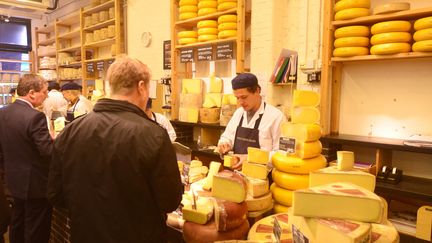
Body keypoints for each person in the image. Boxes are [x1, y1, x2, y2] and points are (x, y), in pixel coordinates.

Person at [48, 56, 183, 243]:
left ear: (110, 85)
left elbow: (56, 194)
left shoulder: (71, 131)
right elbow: (170, 200)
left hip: (85, 235)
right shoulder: (154, 135)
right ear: (141, 87)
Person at [0, 74, 53, 243]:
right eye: (44, 92)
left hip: (14, 180)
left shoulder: (4, 113)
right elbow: (47, 152)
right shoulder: (35, 117)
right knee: (36, 229)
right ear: (32, 93)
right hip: (36, 183)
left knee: (18, 224)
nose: (47, 96)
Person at [217, 73, 286, 170]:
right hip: (237, 176)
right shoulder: (238, 114)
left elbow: (282, 153)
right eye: (237, 98)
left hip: (262, 179)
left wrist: (250, 158)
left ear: (257, 91)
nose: (240, 102)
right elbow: (227, 136)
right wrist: (224, 143)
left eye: (244, 97)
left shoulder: (276, 117)